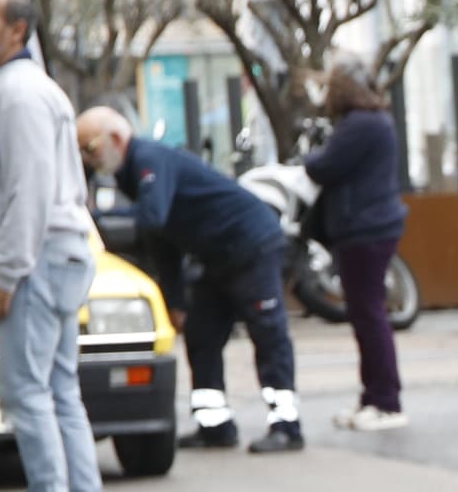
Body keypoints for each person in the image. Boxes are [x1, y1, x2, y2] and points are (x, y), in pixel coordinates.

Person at [74, 106, 302, 454]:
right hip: (215, 255)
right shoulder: (129, 174)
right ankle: (215, 425)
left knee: (268, 334)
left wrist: (95, 219)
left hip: (249, 246)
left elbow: (152, 219)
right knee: (201, 335)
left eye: (88, 149)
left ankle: (287, 425)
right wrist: (175, 301)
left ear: (117, 138)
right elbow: (163, 241)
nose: (86, 161)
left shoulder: (149, 159)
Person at [0, 0, 104, 492]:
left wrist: (9, 272)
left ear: (17, 29)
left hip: (40, 255)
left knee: (27, 392)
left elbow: (30, 190)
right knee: (59, 390)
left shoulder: (17, 94)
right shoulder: (20, 89)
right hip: (60, 250)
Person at [304, 60, 410, 431]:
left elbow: (323, 167)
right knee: (367, 316)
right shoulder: (374, 120)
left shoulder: (359, 125)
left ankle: (385, 402)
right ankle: (374, 398)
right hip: (370, 226)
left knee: (369, 316)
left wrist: (308, 156)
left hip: (363, 228)